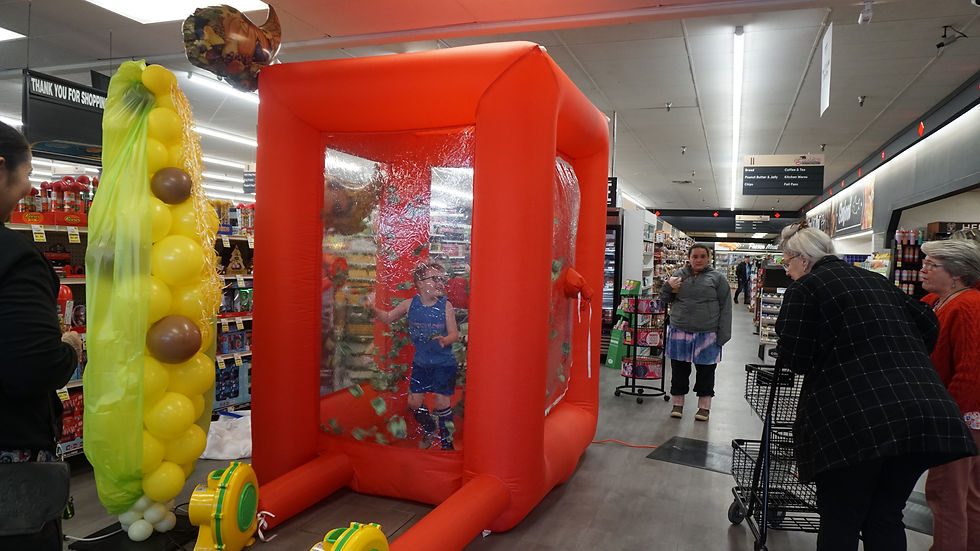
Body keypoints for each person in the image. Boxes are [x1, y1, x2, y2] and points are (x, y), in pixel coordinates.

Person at [774, 221, 977, 551]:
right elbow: (927, 322)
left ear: (803, 259)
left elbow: (796, 357)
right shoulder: (874, 279)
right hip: (921, 416)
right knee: (884, 515)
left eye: (787, 263)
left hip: (854, 420)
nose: (787, 271)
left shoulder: (806, 288)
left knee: (841, 517)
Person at [0, 121, 83, 548]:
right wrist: (68, 347)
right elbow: (34, 367)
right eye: (27, 174)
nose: (30, 188)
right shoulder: (14, 257)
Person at [919, 239, 980, 551]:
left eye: (932, 265)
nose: (923, 269)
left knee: (947, 494)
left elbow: (972, 372)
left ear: (957, 274)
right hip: (961, 418)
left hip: (961, 420)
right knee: (967, 495)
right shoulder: (935, 301)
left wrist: (950, 419)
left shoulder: (968, 306)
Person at [372, 260, 459, 449]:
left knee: (442, 401)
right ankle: (430, 426)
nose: (440, 283)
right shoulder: (409, 304)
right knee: (413, 402)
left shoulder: (446, 306)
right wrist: (371, 309)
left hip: (444, 363)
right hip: (422, 363)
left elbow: (454, 333)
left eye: (441, 279)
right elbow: (388, 317)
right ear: (420, 283)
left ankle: (447, 444)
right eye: (434, 279)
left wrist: (446, 340)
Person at [659, 243, 732, 421]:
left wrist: (724, 333)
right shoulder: (678, 275)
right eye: (695, 256)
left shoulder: (718, 279)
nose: (699, 260)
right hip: (679, 331)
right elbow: (665, 299)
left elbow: (726, 307)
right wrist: (667, 286)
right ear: (689, 258)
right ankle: (677, 404)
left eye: (702, 256)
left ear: (709, 258)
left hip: (707, 333)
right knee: (679, 370)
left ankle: (704, 408)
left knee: (706, 371)